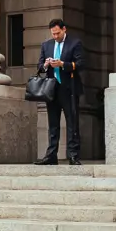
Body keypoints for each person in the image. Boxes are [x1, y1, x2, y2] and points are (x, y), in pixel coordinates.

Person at [34, 19, 84, 166]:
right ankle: (51, 155)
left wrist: (62, 64)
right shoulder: (46, 45)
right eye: (53, 34)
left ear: (64, 29)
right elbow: (40, 66)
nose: (55, 36)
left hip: (69, 89)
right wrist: (45, 64)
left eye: (57, 33)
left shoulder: (75, 43)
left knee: (72, 123)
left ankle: (73, 155)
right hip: (51, 88)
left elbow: (80, 64)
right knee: (53, 124)